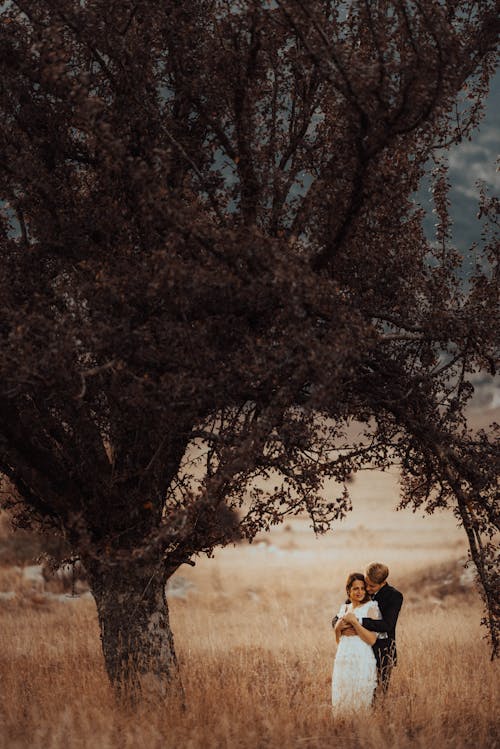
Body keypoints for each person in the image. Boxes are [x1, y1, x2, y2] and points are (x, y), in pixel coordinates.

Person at [342, 562, 403, 694]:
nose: (367, 589)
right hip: (358, 650)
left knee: (378, 692)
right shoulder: (361, 589)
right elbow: (346, 609)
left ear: (383, 582)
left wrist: (358, 621)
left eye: (372, 586)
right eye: (366, 583)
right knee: (356, 690)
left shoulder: (394, 596)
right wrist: (339, 623)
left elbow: (387, 625)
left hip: (382, 651)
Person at [331, 572, 386, 711]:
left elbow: (373, 639)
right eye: (356, 588)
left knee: (360, 696)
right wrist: (337, 628)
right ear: (348, 590)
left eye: (362, 588)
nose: (360, 592)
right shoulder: (344, 609)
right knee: (343, 695)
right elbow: (339, 641)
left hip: (362, 658)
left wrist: (355, 624)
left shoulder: (371, 607)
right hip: (343, 659)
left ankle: (361, 727)